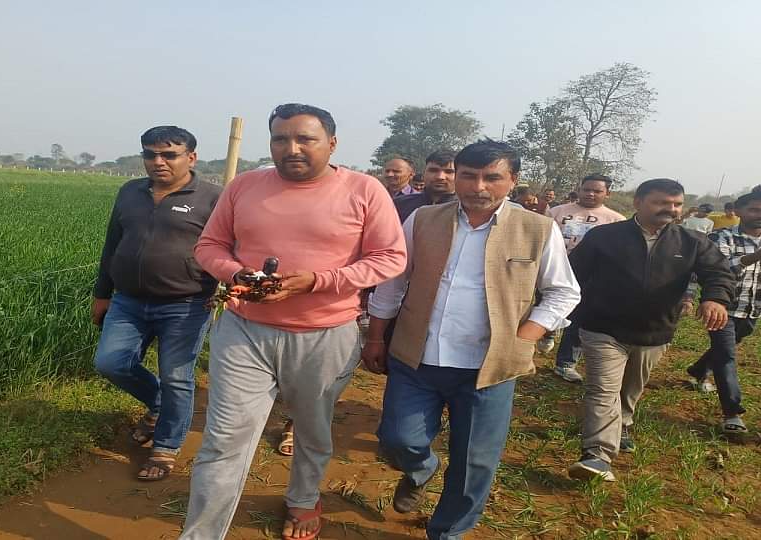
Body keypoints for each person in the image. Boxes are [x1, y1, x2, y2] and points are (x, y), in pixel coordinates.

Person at [180, 103, 407, 540]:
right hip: (245, 330)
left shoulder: (364, 190)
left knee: (311, 427)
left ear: (332, 144)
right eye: (281, 139)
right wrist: (237, 273)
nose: (292, 148)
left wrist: (318, 282)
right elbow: (209, 246)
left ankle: (303, 499)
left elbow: (390, 257)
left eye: (306, 139)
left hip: (326, 333)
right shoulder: (244, 186)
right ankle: (201, 533)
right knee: (224, 438)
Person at [364, 139, 580, 539]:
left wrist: (527, 334)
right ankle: (421, 469)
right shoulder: (424, 220)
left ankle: (447, 532)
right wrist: (375, 338)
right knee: (397, 438)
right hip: (418, 357)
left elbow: (564, 291)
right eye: (468, 176)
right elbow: (393, 285)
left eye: (491, 178)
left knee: (474, 462)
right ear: (455, 176)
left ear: (512, 181)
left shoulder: (536, 229)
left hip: (490, 366)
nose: (478, 186)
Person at [567, 178, 735, 481]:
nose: (669, 210)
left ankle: (624, 423)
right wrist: (564, 313)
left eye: (676, 204)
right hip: (603, 328)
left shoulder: (692, 242)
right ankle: (597, 455)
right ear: (638, 203)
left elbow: (718, 272)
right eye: (661, 203)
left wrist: (715, 299)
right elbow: (572, 275)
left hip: (656, 331)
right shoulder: (604, 237)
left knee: (632, 387)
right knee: (603, 389)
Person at [92, 126, 221, 481]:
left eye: (169, 154)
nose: (157, 161)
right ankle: (158, 404)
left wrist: (222, 287)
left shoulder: (213, 197)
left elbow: (229, 250)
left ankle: (165, 447)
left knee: (177, 376)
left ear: (191, 157)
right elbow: (112, 243)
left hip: (186, 303)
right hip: (128, 301)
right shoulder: (130, 192)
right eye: (150, 154)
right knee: (110, 362)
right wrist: (102, 293)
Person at [686, 186, 761, 434]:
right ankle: (732, 413)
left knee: (725, 347)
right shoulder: (722, 237)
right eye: (755, 209)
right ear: (738, 211)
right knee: (726, 356)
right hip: (722, 308)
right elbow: (720, 269)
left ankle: (698, 370)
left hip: (752, 310)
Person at [545, 174, 626, 382]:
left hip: (590, 277)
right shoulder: (557, 212)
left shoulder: (616, 221)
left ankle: (565, 363)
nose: (590, 194)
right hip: (553, 270)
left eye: (597, 191)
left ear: (607, 193)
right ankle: (547, 332)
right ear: (579, 189)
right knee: (545, 307)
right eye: (586, 189)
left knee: (578, 319)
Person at [393, 149, 457, 222]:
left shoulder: (466, 209)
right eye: (433, 170)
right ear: (424, 173)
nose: (440, 177)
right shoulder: (400, 204)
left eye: (449, 172)